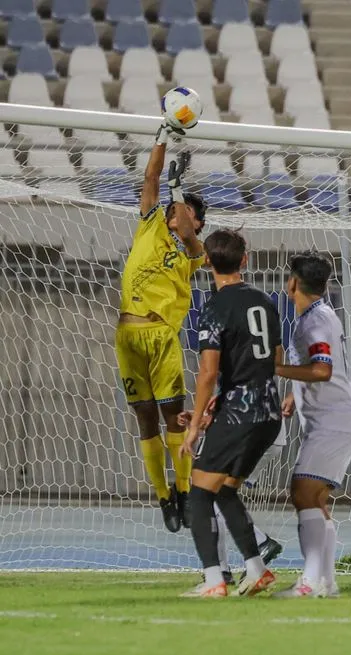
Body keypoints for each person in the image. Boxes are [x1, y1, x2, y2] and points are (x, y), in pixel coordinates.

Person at [179, 229, 283, 598]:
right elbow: (277, 359)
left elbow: (207, 371)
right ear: (245, 259)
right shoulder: (265, 300)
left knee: (199, 493)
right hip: (269, 411)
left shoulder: (214, 307)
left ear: (207, 261)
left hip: (241, 411)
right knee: (224, 491)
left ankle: (213, 580)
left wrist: (194, 426)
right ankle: (257, 572)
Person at [114, 123, 203, 532]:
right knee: (144, 416)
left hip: (163, 337)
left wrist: (182, 197)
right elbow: (151, 177)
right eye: (175, 210)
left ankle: (183, 488)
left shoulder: (194, 253)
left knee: (172, 415)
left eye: (187, 215)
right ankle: (164, 496)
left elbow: (189, 233)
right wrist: (162, 137)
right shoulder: (149, 224)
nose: (178, 215)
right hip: (128, 335)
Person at [272, 252, 351, 598]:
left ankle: (309, 584)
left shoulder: (314, 322)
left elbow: (322, 369)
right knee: (315, 499)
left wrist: (277, 369)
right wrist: (296, 394)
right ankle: (325, 581)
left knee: (303, 493)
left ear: (293, 283)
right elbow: (321, 368)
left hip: (333, 422)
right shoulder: (321, 315)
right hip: (334, 420)